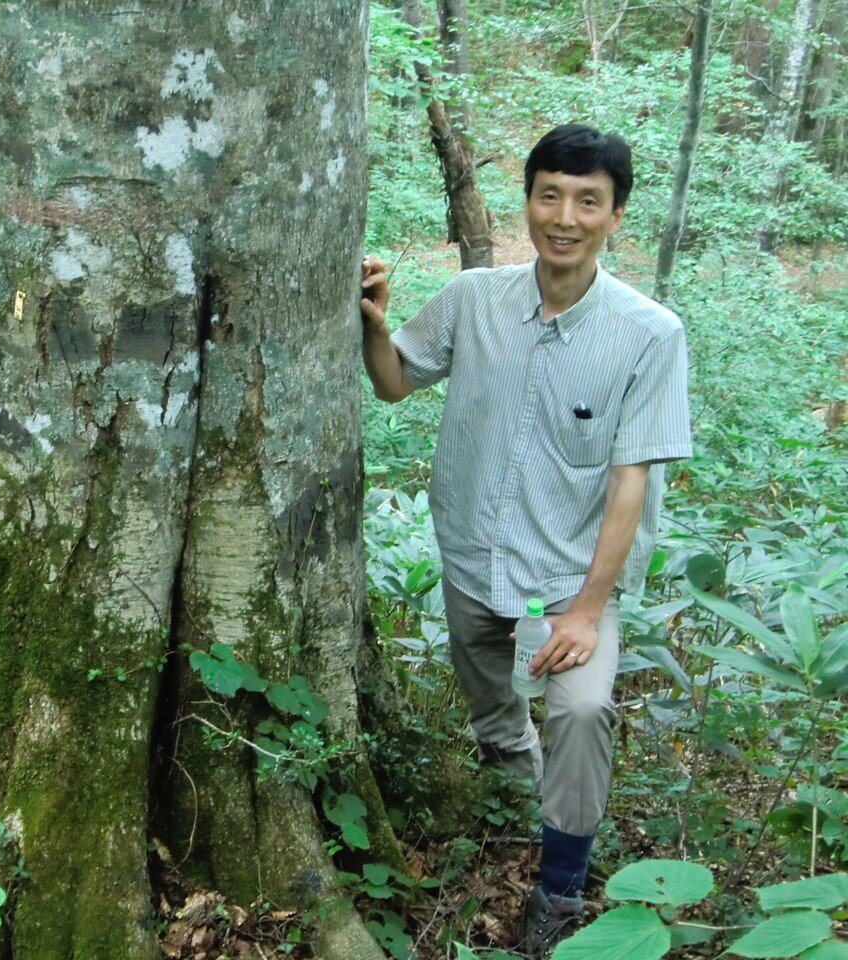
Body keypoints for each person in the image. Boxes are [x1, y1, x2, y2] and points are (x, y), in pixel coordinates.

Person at [359, 124, 691, 957]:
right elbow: (396, 383)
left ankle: (561, 886)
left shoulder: (649, 334)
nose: (565, 217)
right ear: (528, 202)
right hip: (473, 554)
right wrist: (373, 323)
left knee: (580, 710)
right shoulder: (476, 299)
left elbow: (630, 484)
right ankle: (516, 809)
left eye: (588, 201)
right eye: (551, 195)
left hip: (568, 578)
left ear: (616, 217)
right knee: (493, 710)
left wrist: (584, 611)